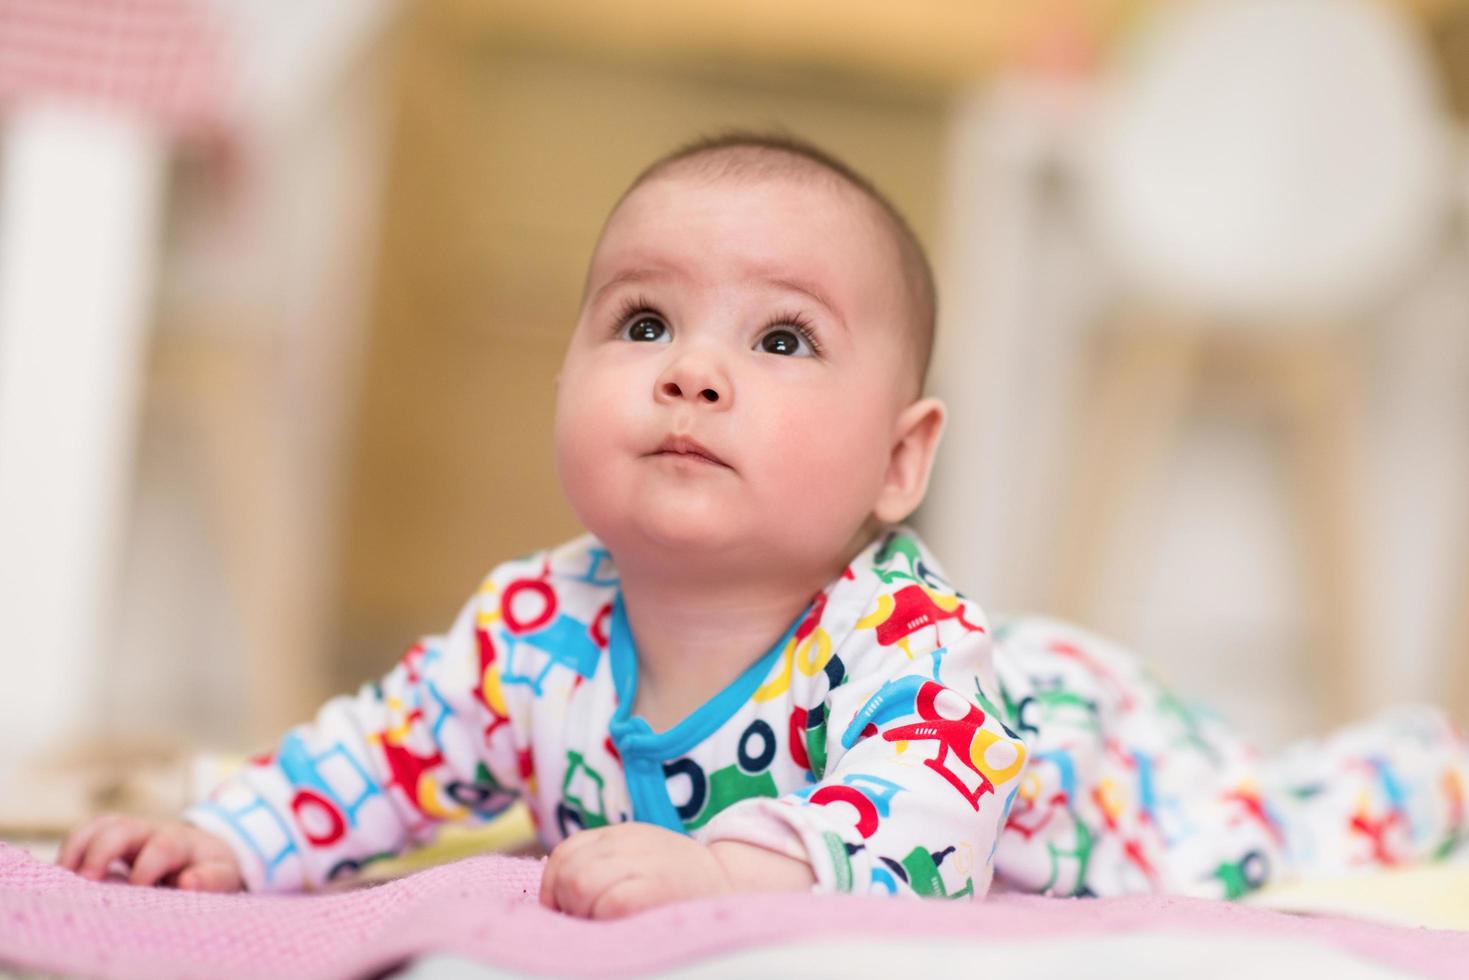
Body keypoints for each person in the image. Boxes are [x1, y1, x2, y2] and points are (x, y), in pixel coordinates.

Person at [55, 133, 1469, 918]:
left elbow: (926, 832)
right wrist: (238, 835)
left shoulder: (904, 644)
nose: (693, 369)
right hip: (1001, 706)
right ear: (569, 374)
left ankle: (1426, 769)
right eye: (644, 320)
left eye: (783, 339)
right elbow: (379, 752)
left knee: (1279, 820)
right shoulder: (534, 631)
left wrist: (731, 867)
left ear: (898, 460)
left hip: (1073, 746)